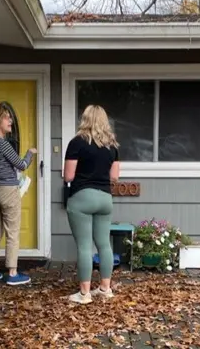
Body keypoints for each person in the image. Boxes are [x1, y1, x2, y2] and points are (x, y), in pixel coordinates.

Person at [63, 105, 120, 304]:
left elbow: (68, 176)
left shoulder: (76, 143)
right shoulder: (112, 146)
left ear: (84, 119)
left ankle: (84, 294)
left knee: (85, 246)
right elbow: (114, 177)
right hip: (105, 199)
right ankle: (105, 288)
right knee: (104, 244)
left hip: (82, 198)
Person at [0, 103, 37, 286]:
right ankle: (12, 273)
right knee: (12, 232)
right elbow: (21, 165)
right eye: (7, 117)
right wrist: (30, 153)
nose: (10, 120)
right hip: (7, 190)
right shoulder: (2, 144)